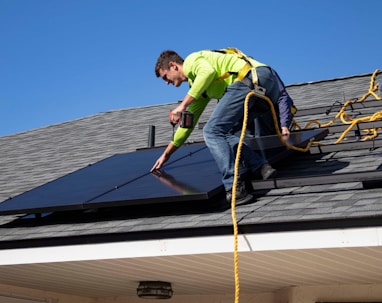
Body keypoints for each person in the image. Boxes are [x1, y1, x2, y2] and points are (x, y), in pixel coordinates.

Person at [150, 48, 295, 205]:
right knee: (223, 133)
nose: (166, 82)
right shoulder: (198, 89)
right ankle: (260, 166)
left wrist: (182, 106)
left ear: (173, 65)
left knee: (212, 131)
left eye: (165, 76)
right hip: (262, 89)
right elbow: (188, 126)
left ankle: (235, 188)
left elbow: (207, 73)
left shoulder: (192, 61)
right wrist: (166, 155)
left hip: (250, 78)